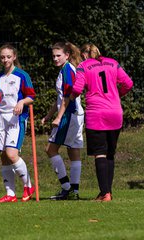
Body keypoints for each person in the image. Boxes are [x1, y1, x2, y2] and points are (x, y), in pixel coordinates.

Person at [71, 44, 133, 201]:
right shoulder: (113, 63)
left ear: (85, 54)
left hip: (97, 114)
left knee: (100, 153)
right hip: (115, 112)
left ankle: (105, 193)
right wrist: (117, 94)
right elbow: (129, 84)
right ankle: (107, 192)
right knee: (110, 154)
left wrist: (71, 96)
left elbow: (77, 89)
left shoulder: (83, 66)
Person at [41, 41, 84, 200]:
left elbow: (68, 97)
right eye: (53, 56)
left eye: (58, 55)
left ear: (67, 55)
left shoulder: (67, 70)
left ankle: (67, 188)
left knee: (50, 149)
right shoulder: (66, 70)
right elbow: (60, 99)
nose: (55, 58)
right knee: (73, 151)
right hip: (73, 114)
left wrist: (59, 117)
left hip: (69, 115)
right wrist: (49, 115)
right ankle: (74, 191)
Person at [0, 44, 36, 203]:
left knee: (12, 154)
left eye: (8, 57)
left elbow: (31, 96)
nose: (5, 60)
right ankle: (10, 193)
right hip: (1, 120)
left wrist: (22, 102)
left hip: (16, 119)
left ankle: (28, 185)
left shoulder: (22, 75)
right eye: (3, 57)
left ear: (14, 57)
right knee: (4, 156)